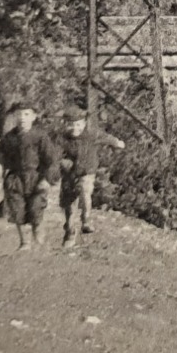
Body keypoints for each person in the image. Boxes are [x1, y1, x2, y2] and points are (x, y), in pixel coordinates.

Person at [0, 102, 60, 250]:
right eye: (19, 114)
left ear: (34, 117)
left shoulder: (40, 136)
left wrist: (47, 179)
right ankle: (24, 243)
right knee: (17, 211)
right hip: (16, 179)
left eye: (27, 114)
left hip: (36, 178)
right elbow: (1, 157)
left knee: (36, 209)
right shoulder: (9, 138)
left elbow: (52, 160)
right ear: (14, 116)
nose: (22, 118)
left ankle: (39, 238)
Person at [56, 106, 125, 249]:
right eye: (71, 125)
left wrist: (117, 142)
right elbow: (54, 154)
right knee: (69, 205)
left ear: (84, 123)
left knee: (85, 191)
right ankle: (69, 233)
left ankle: (86, 220)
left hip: (87, 172)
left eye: (78, 124)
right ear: (65, 124)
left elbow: (105, 137)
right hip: (69, 174)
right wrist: (62, 162)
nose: (75, 128)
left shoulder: (91, 134)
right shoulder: (61, 138)